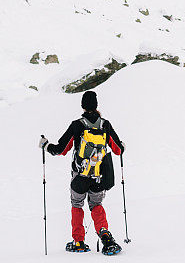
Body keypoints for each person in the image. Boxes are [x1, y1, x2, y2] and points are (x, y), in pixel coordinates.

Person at [40, 90, 125, 254]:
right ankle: (106, 237)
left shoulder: (77, 125)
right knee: (96, 205)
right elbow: (118, 150)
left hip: (79, 176)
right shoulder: (105, 124)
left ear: (83, 106)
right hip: (99, 177)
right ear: (96, 105)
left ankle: (78, 242)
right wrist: (122, 145)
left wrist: (45, 146)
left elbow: (61, 150)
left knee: (77, 204)